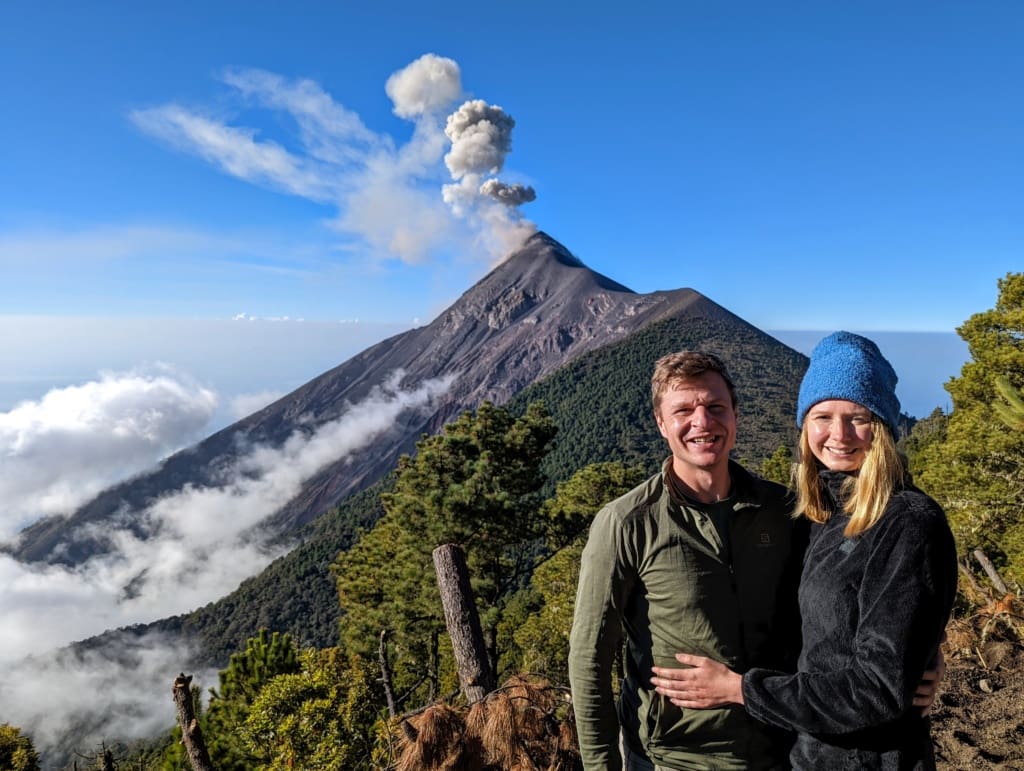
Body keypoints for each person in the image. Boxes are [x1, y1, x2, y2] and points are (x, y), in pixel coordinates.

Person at [650, 332, 958, 769]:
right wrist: (924, 650)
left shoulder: (907, 522)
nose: (839, 435)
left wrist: (739, 689)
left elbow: (877, 690)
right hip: (806, 754)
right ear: (804, 425)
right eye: (823, 416)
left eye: (859, 417)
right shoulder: (814, 516)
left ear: (884, 427)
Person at [568, 351, 807, 770]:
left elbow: (844, 589)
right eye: (684, 410)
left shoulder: (781, 509)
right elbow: (590, 656)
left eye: (715, 407)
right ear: (662, 423)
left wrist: (920, 652)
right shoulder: (627, 523)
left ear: (735, 415)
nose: (703, 422)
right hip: (674, 758)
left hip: (783, 748)